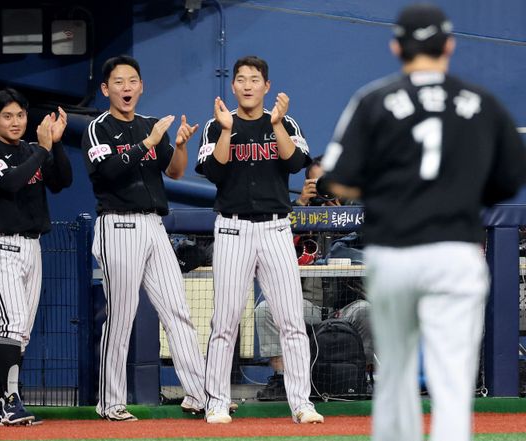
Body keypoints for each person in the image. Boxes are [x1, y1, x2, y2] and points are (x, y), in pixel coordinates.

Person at [322, 4, 526, 441]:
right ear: (449, 45)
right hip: (456, 251)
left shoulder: (374, 99)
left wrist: (390, 187)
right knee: (452, 377)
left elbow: (335, 178)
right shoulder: (480, 102)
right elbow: (511, 179)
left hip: (394, 252)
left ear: (396, 47)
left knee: (395, 372)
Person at [195, 55, 323, 424]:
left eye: (254, 79)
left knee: (291, 320)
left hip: (275, 228)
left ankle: (302, 404)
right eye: (241, 79)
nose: (248, 85)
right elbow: (214, 171)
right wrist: (226, 131)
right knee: (225, 322)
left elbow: (295, 163)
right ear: (233, 85)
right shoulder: (216, 124)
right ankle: (216, 403)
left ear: (266, 86)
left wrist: (277, 123)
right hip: (232, 228)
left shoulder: (285, 121)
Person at [81, 55, 207, 422]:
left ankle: (199, 395)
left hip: (154, 225)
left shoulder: (151, 124)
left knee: (177, 310)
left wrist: (179, 144)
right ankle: (110, 402)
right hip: (117, 224)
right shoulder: (98, 128)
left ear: (141, 86)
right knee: (121, 316)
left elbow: (175, 171)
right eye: (118, 82)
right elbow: (107, 172)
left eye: (132, 81)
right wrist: (147, 143)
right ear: (106, 89)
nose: (126, 87)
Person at [0, 88, 72, 425]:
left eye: (20, 115)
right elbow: (11, 183)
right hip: (0, 245)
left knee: (22, 331)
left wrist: (56, 144)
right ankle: (9, 401)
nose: (15, 122)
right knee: (13, 324)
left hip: (32, 246)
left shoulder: (31, 149)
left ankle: (4, 403)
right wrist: (43, 149)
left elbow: (62, 181)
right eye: (7, 116)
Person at [254, 158, 373, 400]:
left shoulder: (356, 214)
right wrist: (301, 206)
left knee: (367, 311)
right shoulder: (291, 214)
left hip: (346, 306)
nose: (325, 189)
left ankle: (364, 378)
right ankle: (281, 379)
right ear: (308, 184)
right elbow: (271, 245)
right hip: (306, 305)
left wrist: (341, 213)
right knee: (265, 310)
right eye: (318, 183)